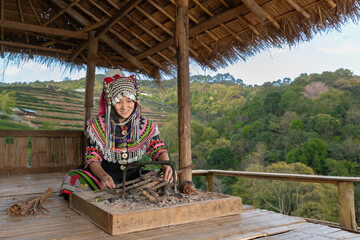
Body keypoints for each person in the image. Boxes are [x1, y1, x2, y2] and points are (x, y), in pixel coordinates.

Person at [60, 69, 174, 199]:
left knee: (165, 176)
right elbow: (93, 159)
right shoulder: (98, 126)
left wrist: (166, 164)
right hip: (105, 175)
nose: (125, 107)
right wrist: (103, 176)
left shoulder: (144, 125)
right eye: (119, 102)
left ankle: (124, 193)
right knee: (73, 179)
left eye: (129, 101)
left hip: (133, 176)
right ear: (111, 103)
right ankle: (121, 193)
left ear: (135, 101)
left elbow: (158, 149)